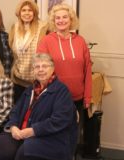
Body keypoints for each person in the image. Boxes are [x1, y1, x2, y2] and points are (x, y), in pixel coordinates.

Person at [0, 53, 78, 160]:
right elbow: (15, 111)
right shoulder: (30, 90)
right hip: (23, 133)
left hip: (51, 138)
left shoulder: (61, 91)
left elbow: (59, 120)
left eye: (44, 66)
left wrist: (32, 131)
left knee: (26, 154)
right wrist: (13, 126)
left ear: (52, 69)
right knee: (2, 146)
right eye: (37, 67)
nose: (40, 70)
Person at [37, 3, 92, 145]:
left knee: (72, 135)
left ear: (71, 19)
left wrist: (87, 96)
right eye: (58, 18)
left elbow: (87, 71)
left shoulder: (80, 41)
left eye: (65, 17)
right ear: (53, 21)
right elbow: (41, 71)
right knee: (54, 135)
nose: (61, 20)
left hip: (77, 99)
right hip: (54, 98)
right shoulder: (46, 41)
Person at [9, 0, 48, 102]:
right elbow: (12, 53)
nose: (27, 13)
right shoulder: (14, 27)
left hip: (37, 81)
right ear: (19, 12)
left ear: (34, 12)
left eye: (30, 10)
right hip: (18, 80)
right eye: (24, 10)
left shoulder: (43, 28)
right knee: (19, 111)